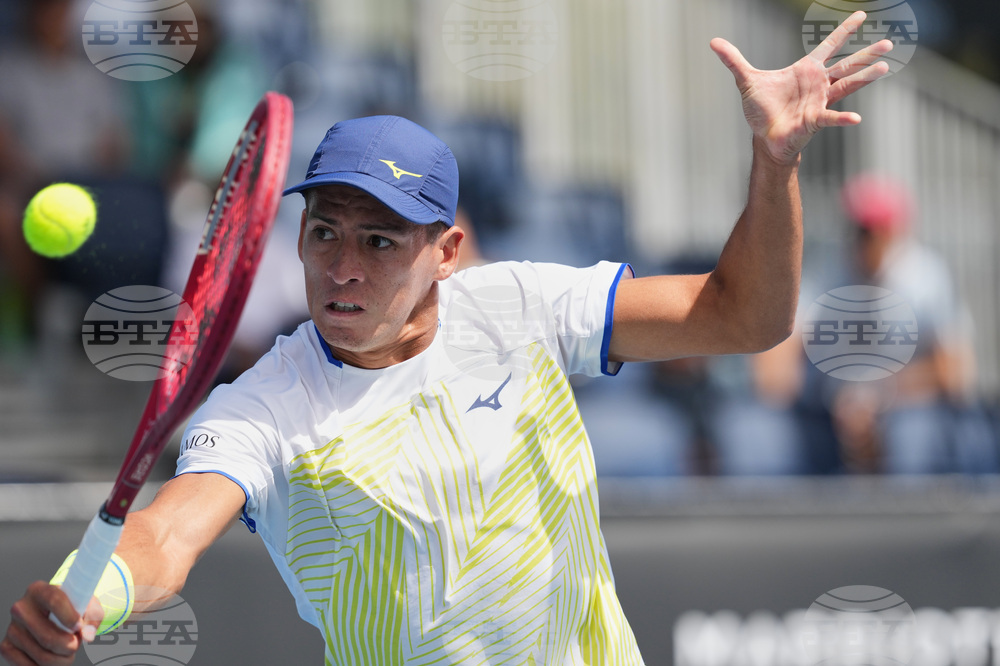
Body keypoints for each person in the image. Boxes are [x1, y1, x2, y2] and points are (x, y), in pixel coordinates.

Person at [1, 13, 892, 665]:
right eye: (325, 231)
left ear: (446, 252)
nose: (343, 264)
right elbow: (167, 537)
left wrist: (774, 166)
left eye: (380, 240)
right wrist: (96, 598)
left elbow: (746, 316)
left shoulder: (521, 307)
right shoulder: (265, 406)